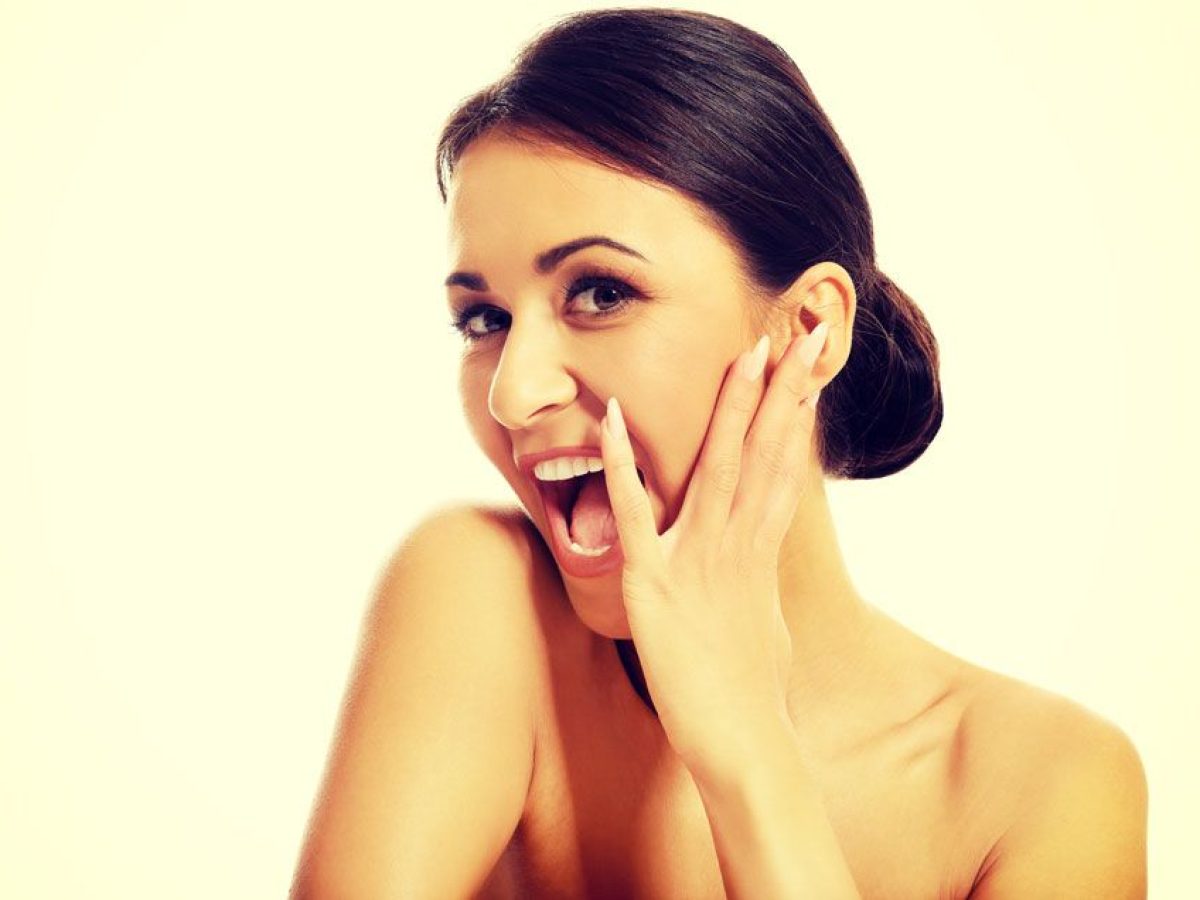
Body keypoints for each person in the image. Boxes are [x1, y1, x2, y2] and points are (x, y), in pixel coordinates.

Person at [290, 8, 1148, 898]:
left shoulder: (1048, 788)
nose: (513, 392)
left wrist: (747, 745)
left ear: (809, 329)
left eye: (601, 292)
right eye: (484, 319)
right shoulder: (484, 599)